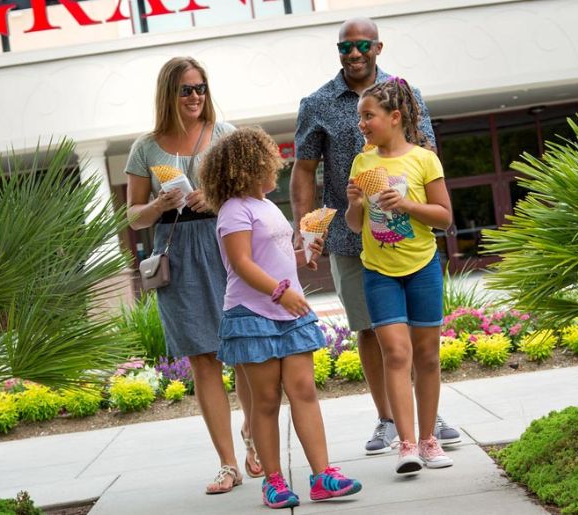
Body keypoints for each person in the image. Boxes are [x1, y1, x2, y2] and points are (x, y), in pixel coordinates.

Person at [291, 17, 461, 456]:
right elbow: (304, 171)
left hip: (412, 236)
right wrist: (307, 230)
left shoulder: (406, 93)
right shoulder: (317, 103)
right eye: (344, 47)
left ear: (377, 48)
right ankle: (388, 419)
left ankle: (427, 419)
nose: (353, 53)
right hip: (352, 238)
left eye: (361, 45)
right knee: (370, 330)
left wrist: (416, 210)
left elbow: (427, 160)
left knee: (420, 341)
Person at [199, 127, 362, 509]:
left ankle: (322, 475)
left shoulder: (267, 206)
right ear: (249, 167)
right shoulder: (232, 211)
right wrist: (279, 291)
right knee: (267, 401)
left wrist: (304, 251)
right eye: (270, 165)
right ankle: (272, 481)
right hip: (252, 314)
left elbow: (275, 254)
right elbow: (241, 263)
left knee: (304, 390)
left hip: (288, 312)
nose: (278, 169)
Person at [124, 56, 263, 494]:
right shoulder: (145, 147)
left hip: (227, 245)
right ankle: (227, 464)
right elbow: (134, 217)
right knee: (204, 358)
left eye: (201, 87)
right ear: (169, 93)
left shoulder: (226, 134)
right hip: (177, 252)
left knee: (240, 348)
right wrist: (158, 206)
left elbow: (254, 194)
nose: (196, 96)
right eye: (186, 89)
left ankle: (254, 438)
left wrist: (216, 198)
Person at [344, 76, 454, 475]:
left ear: (394, 117)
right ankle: (406, 444)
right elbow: (355, 226)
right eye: (360, 117)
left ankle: (429, 439)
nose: (362, 124)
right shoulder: (362, 162)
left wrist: (406, 205)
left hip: (422, 266)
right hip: (379, 272)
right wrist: (355, 204)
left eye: (368, 116)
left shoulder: (425, 159)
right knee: (395, 352)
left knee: (427, 356)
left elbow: (444, 217)